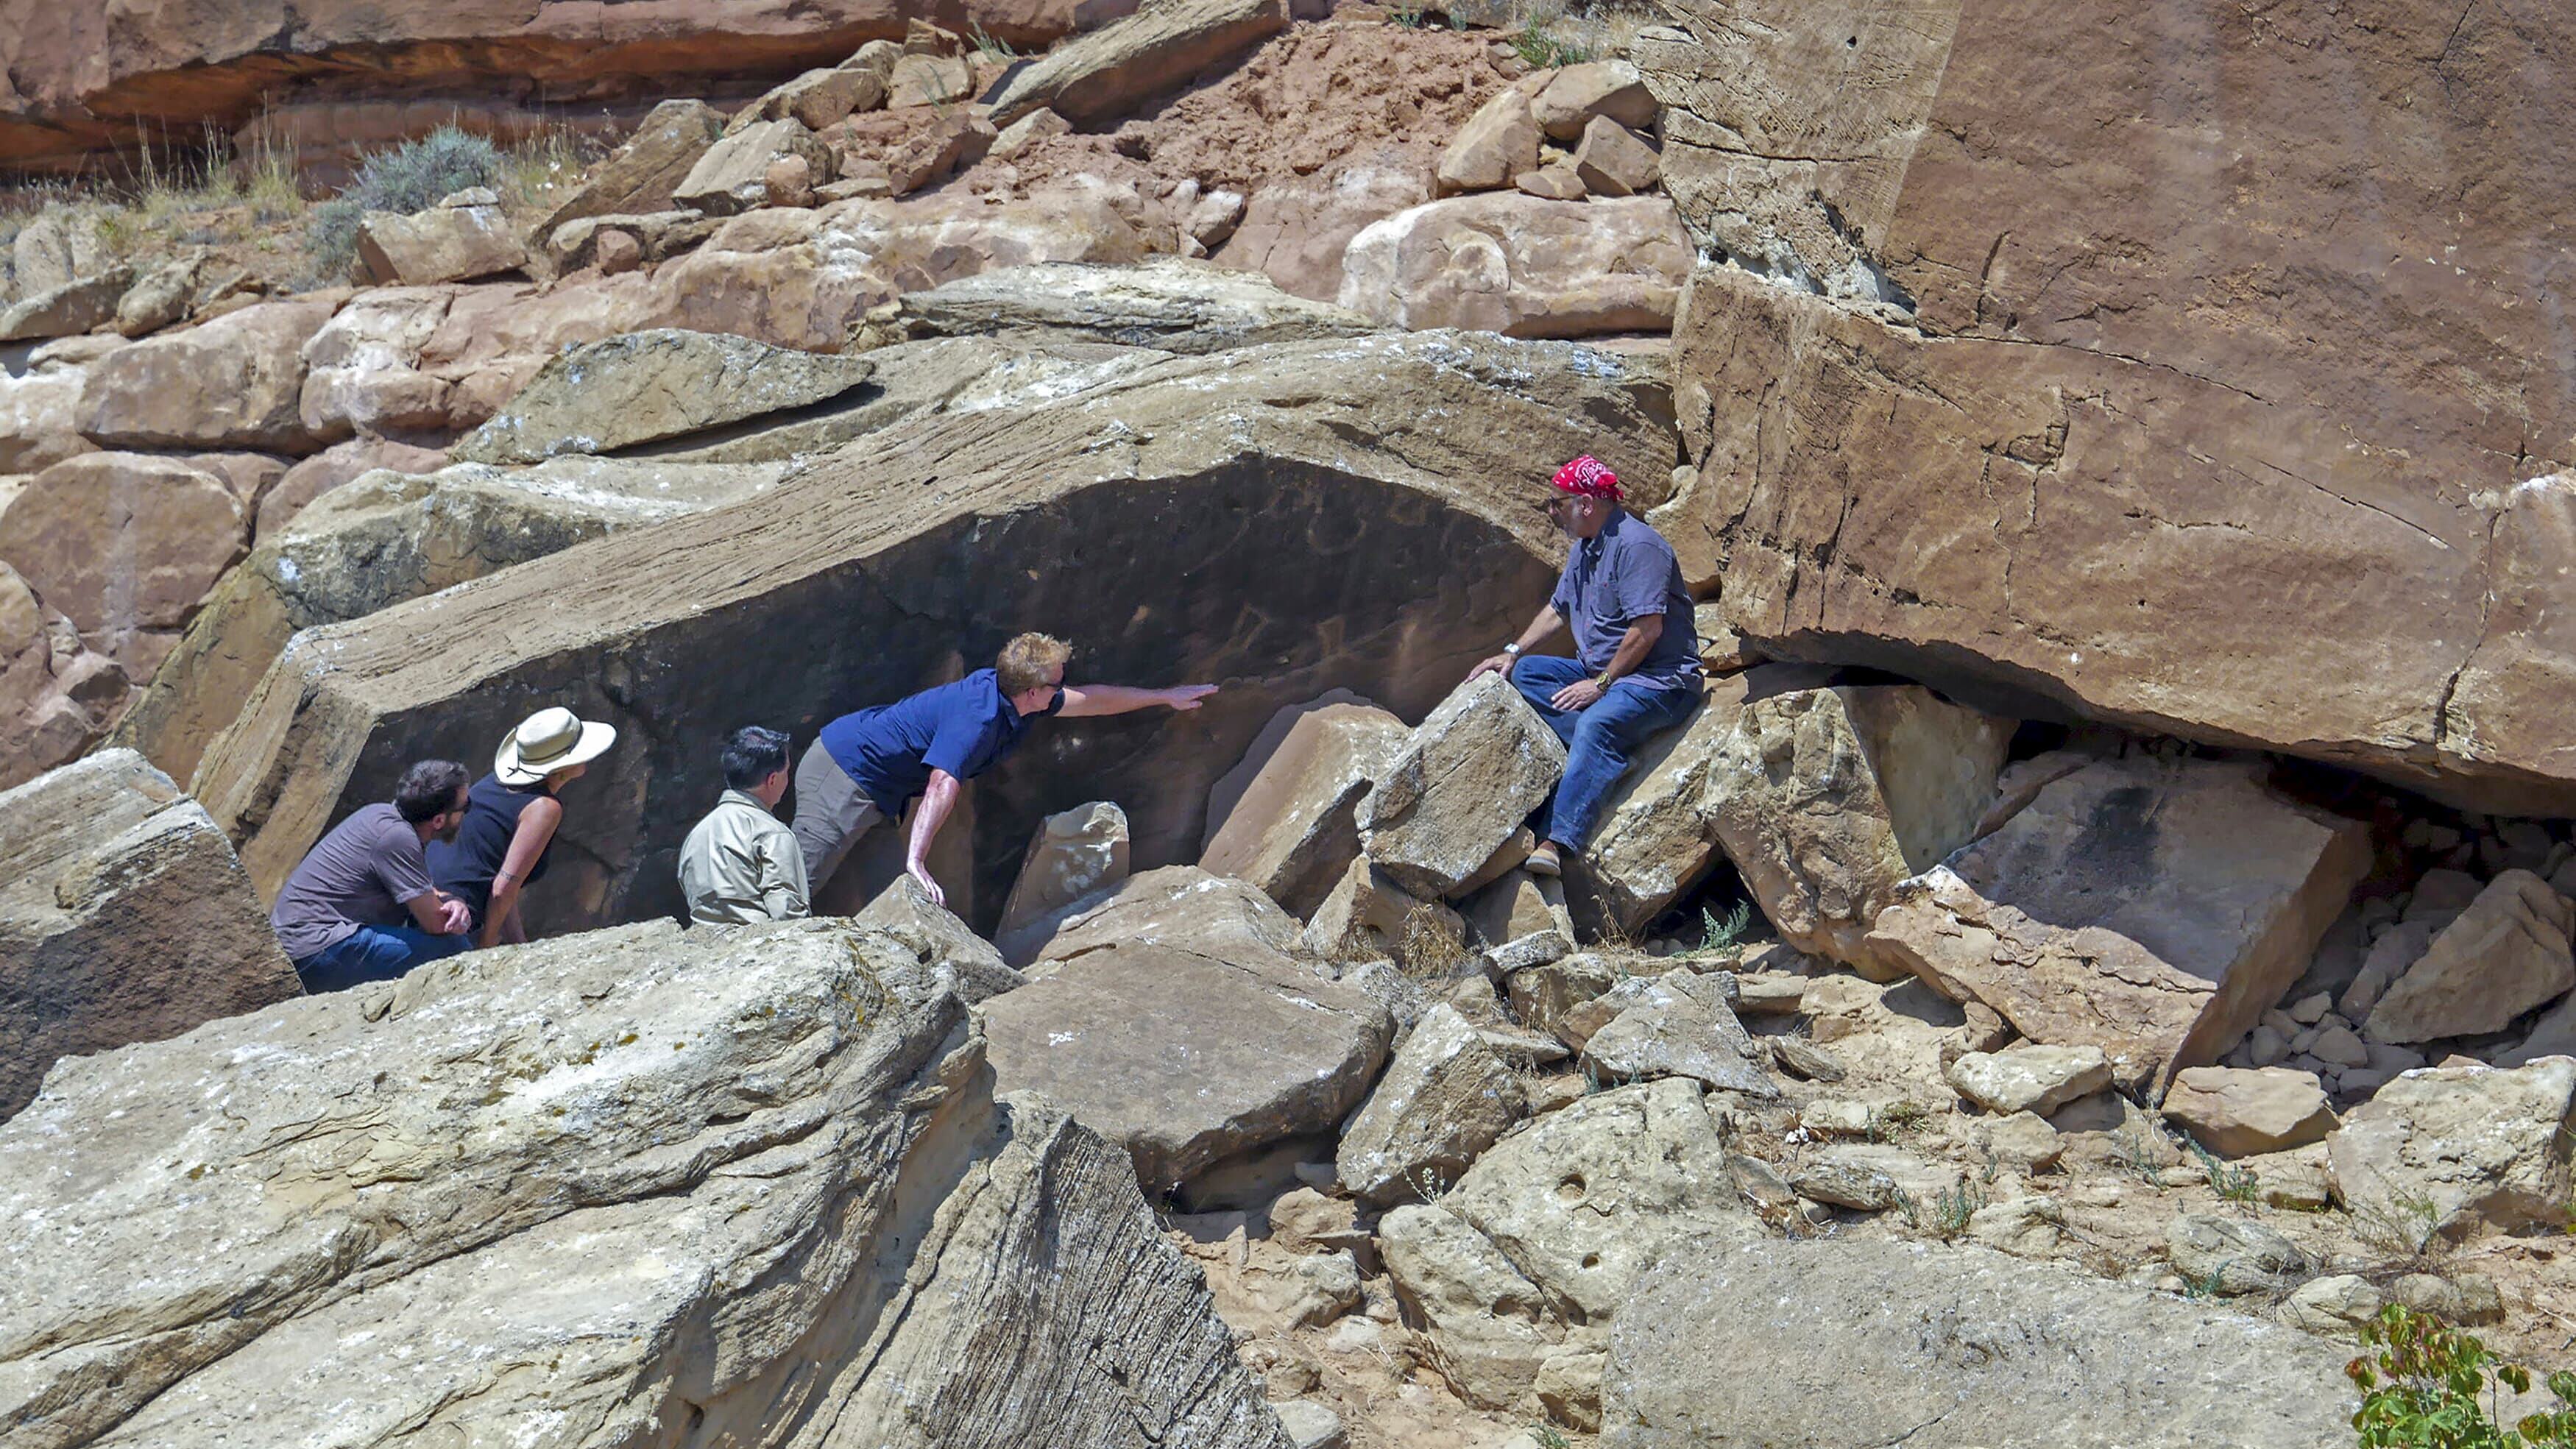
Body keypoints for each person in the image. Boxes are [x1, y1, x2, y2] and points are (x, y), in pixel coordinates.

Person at [793, 632, 1217, 905]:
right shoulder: (976, 718)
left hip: (883, 790)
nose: (1063, 685)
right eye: (1057, 681)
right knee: (796, 886)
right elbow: (943, 782)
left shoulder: (1017, 697)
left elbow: (1095, 699)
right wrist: (918, 860)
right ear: (1033, 690)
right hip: (845, 775)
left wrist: (1167, 696)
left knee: (889, 897)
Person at [1469, 454, 1702, 878]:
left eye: (1557, 503)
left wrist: (1601, 683)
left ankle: (1557, 841)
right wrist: (1513, 651)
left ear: (1586, 504)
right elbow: (1558, 611)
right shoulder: (1585, 549)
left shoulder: (1639, 546)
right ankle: (1605, 754)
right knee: (1522, 676)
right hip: (1603, 673)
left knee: (1595, 723)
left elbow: (1647, 630)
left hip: (1660, 682)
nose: (1552, 512)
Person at [269, 759, 478, 991]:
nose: (466, 813)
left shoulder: (381, 815)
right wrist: (455, 911)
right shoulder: (397, 838)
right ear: (439, 820)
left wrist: (452, 902)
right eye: (465, 807)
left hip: (305, 944)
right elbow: (438, 924)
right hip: (318, 948)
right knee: (454, 951)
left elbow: (423, 891)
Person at [431, 706, 618, 948]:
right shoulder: (544, 808)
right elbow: (501, 888)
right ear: (560, 766)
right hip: (457, 922)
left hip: (429, 903)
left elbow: (504, 881)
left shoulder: (493, 783)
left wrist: (519, 946)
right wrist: (485, 948)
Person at [677, 725, 811, 925]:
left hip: (706, 951)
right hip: (759, 949)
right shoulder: (773, 833)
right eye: (787, 772)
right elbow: (788, 915)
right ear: (773, 780)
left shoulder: (696, 835)